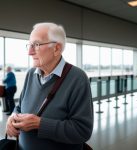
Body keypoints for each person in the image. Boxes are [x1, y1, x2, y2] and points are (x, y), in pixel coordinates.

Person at [6, 22, 93, 150]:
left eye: (36, 45)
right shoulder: (30, 74)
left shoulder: (78, 78)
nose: (30, 52)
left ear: (56, 48)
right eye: (29, 45)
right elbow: (19, 107)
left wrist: (40, 124)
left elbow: (82, 130)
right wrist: (12, 117)